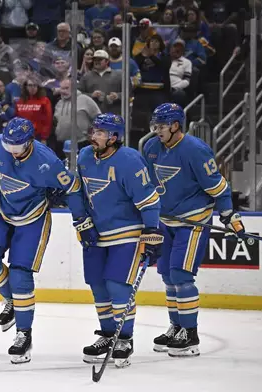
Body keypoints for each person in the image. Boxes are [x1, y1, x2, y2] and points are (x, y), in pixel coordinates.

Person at [0, 117, 87, 364]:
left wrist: (82, 221)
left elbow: (74, 188)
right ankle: (12, 301)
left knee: (20, 275)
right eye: (8, 147)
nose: (12, 153)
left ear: (29, 142)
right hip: (3, 213)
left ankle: (23, 335)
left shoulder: (48, 162)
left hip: (33, 218)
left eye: (17, 148)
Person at [143, 103, 245, 357]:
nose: (156, 130)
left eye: (161, 126)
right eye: (154, 125)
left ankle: (190, 333)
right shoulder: (151, 147)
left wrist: (229, 214)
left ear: (176, 126)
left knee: (181, 274)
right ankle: (176, 326)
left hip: (193, 221)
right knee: (167, 274)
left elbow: (218, 187)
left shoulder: (196, 151)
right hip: (166, 221)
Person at [75, 113, 163, 368]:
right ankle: (107, 334)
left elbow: (149, 199)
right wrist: (82, 221)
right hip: (95, 232)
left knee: (117, 285)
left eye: (100, 133)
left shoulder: (129, 161)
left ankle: (124, 337)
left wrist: (151, 231)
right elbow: (79, 191)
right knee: (98, 286)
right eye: (93, 131)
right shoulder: (84, 156)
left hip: (126, 231)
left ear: (113, 137)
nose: (93, 136)